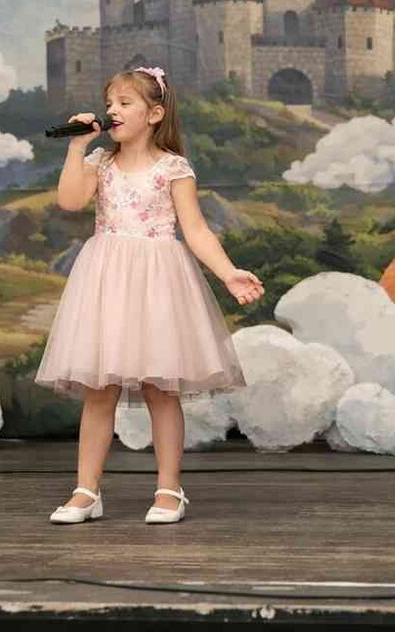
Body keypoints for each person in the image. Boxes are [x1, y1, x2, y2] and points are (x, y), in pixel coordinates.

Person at [36, 66, 262, 525]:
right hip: (107, 279)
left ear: (154, 114)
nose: (113, 111)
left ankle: (169, 489)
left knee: (161, 388)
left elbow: (195, 231)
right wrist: (77, 147)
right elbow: (70, 201)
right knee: (99, 389)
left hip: (158, 283)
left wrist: (228, 273)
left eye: (125, 103)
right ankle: (86, 491)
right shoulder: (100, 162)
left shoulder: (172, 168)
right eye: (110, 103)